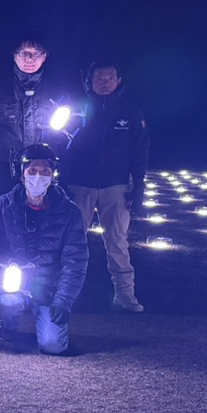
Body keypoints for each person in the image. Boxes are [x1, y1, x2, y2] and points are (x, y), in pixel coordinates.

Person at [0, 143, 88, 355]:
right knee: (9, 302)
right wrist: (8, 264)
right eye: (32, 170)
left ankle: (48, 322)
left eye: (45, 171)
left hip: (49, 286)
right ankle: (9, 323)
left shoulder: (69, 212)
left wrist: (63, 300)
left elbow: (75, 261)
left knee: (53, 345)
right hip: (15, 281)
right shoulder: (3, 206)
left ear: (53, 175)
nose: (38, 177)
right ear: (21, 173)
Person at [65, 61, 150, 312]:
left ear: (118, 81)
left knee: (117, 242)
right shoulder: (76, 109)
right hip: (80, 185)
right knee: (71, 241)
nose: (104, 83)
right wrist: (63, 180)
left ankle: (125, 294)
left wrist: (138, 186)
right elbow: (61, 145)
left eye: (110, 78)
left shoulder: (130, 110)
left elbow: (140, 151)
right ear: (89, 81)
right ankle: (65, 293)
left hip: (116, 186)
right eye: (99, 79)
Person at [0, 40, 70, 208]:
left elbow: (68, 129)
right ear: (15, 55)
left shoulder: (57, 92)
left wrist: (53, 149)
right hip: (5, 168)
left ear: (44, 56)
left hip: (43, 170)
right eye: (24, 53)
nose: (29, 59)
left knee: (42, 217)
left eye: (36, 53)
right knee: (0, 214)